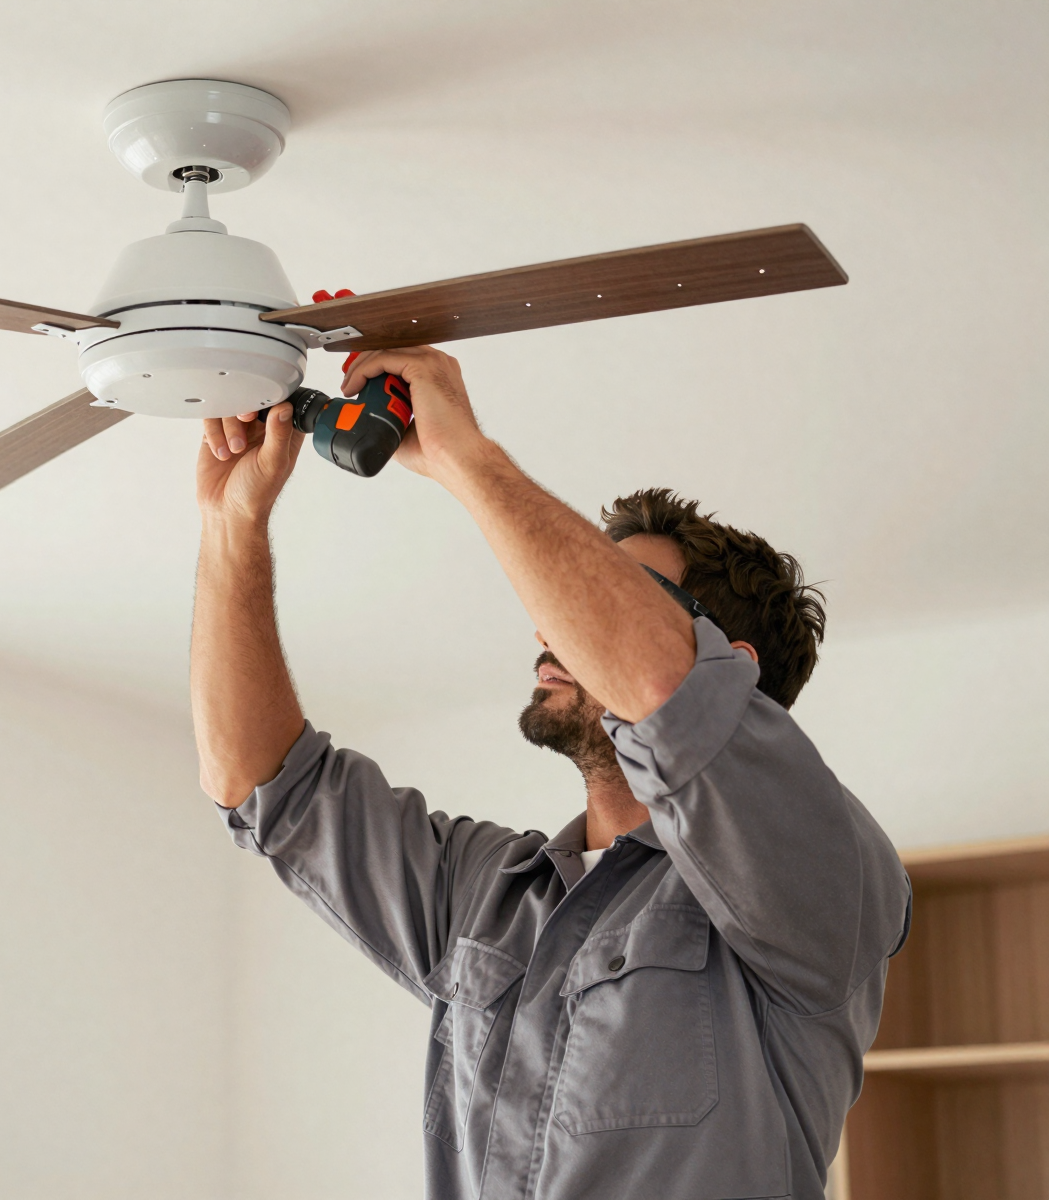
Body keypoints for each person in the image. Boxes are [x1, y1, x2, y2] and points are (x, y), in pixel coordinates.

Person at [189, 345, 911, 1200]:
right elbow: (261, 782)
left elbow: (661, 689)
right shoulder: (489, 894)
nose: (546, 625)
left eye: (609, 594)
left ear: (736, 668)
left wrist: (466, 460)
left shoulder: (820, 874)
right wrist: (232, 525)